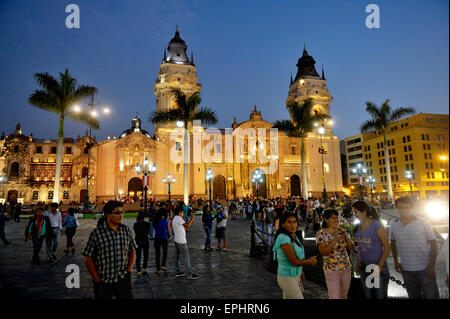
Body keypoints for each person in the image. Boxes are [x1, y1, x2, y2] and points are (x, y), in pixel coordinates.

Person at [82, 201, 136, 299]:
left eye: (122, 212)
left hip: (122, 279)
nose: (121, 215)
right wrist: (97, 280)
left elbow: (132, 251)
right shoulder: (97, 234)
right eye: (117, 213)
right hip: (103, 281)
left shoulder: (125, 230)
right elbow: (88, 259)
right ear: (108, 215)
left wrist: (128, 271)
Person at [389, 197, 439, 299]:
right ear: (397, 209)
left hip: (425, 268)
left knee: (431, 295)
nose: (404, 210)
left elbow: (433, 244)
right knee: (413, 296)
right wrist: (395, 261)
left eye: (406, 207)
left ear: (411, 208)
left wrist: (431, 265)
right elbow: (392, 242)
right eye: (401, 208)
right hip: (406, 269)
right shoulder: (394, 224)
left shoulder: (423, 223)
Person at [273, 212, 318, 299]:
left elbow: (297, 258)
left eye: (294, 222)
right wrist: (310, 261)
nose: (293, 225)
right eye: (289, 222)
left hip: (294, 275)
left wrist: (301, 271)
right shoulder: (284, 238)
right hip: (287, 277)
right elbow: (294, 261)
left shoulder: (293, 235)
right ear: (283, 224)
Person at [352, 201, 390, 299]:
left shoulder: (376, 225)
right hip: (364, 267)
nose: (354, 215)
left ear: (364, 212)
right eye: (354, 212)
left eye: (356, 212)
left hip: (376, 267)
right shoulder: (358, 227)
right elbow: (360, 248)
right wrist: (357, 264)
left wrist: (379, 266)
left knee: (379, 295)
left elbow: (387, 247)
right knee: (368, 295)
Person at [316, 209, 355, 299]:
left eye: (337, 217)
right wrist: (334, 240)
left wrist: (346, 237)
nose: (336, 220)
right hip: (332, 270)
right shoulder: (321, 233)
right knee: (334, 296)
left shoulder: (342, 231)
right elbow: (323, 252)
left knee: (343, 296)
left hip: (346, 268)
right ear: (326, 220)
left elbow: (351, 247)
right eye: (333, 218)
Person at [172, 206, 200, 279]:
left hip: (176, 240)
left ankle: (178, 271)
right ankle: (189, 273)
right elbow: (187, 226)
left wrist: (190, 222)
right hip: (181, 241)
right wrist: (191, 220)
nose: (183, 213)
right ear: (180, 212)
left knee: (177, 256)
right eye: (182, 212)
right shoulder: (178, 218)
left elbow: (183, 227)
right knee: (186, 257)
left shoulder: (174, 218)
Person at [154, 208, 170, 274]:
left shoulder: (155, 221)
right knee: (165, 252)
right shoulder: (165, 221)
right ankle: (163, 265)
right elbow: (168, 230)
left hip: (157, 238)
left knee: (157, 254)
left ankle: (158, 269)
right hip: (164, 238)